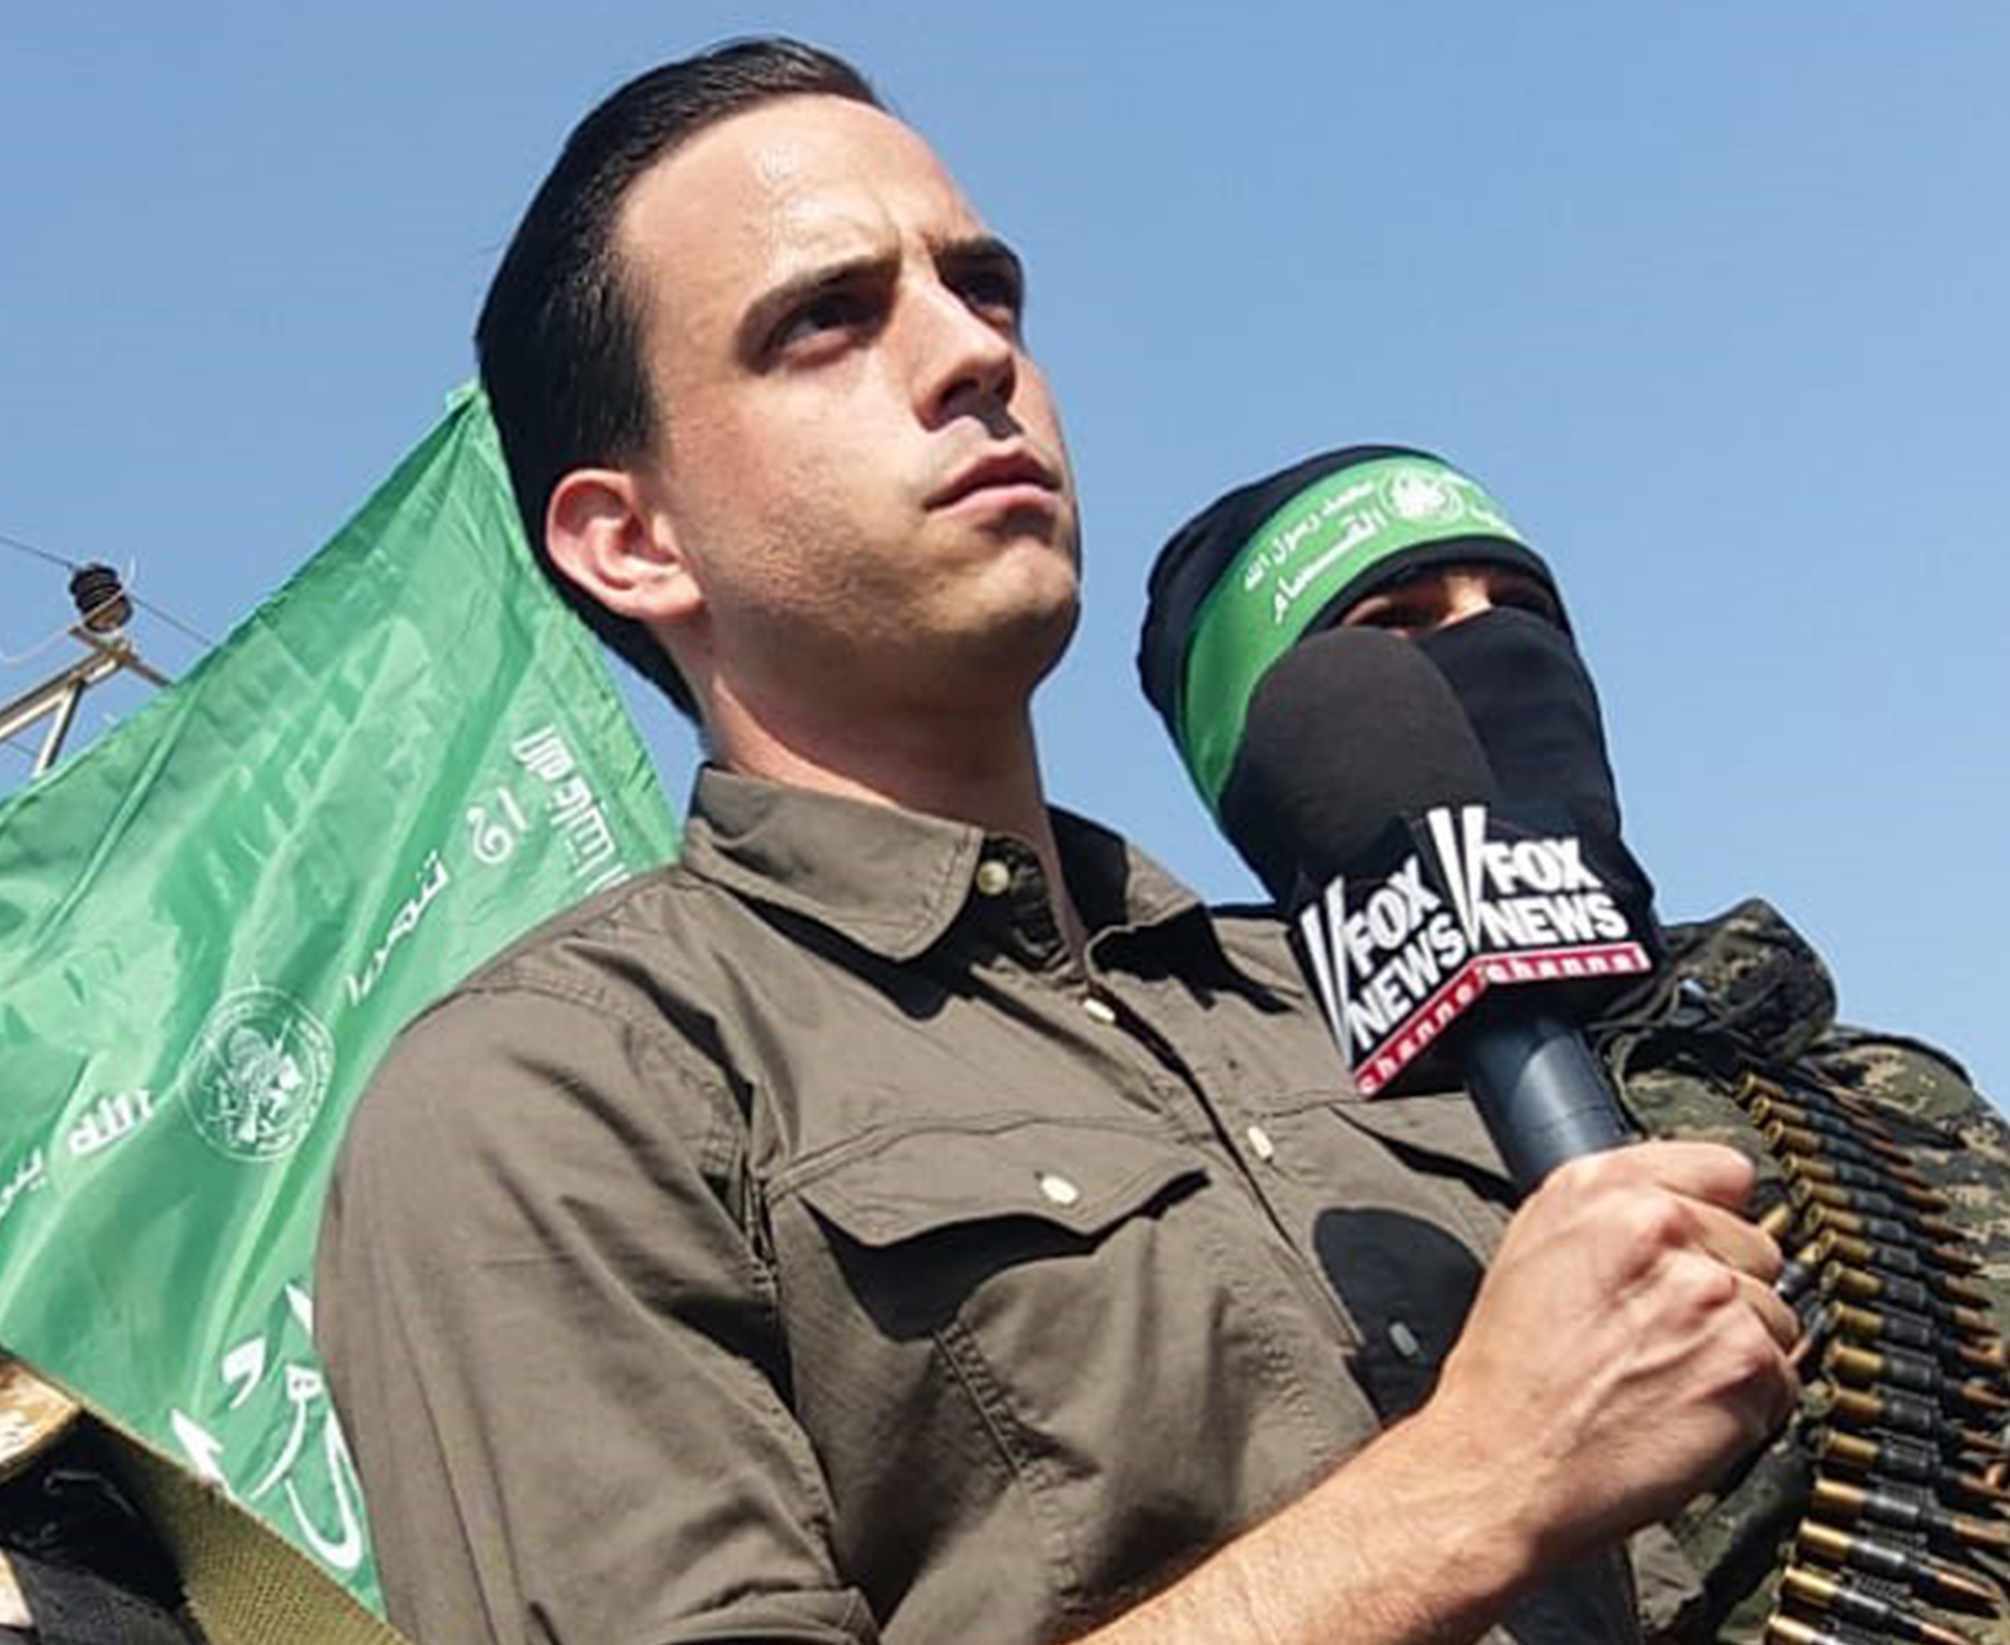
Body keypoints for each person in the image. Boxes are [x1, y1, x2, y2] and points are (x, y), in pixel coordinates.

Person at [314, 39, 1799, 1645]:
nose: (972, 355)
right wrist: (1475, 1484)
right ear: (630, 540)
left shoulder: (1317, 993)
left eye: (983, 288)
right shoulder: (555, 1094)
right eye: (825, 320)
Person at [1137, 443, 2010, 1645]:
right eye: (1398, 624)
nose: (1496, 645)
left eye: (1523, 608)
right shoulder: (1258, 1154)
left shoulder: (1843, 1071)